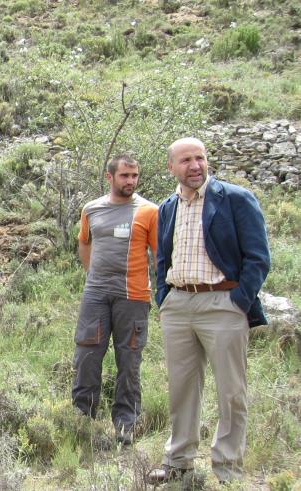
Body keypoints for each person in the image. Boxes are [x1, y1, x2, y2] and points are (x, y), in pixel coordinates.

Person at [147, 137, 270, 484]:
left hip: (223, 303)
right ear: (171, 167)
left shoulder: (235, 199)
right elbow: (162, 258)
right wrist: (165, 298)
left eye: (200, 158)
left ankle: (227, 469)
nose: (195, 165)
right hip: (179, 304)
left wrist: (238, 301)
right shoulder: (167, 206)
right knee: (181, 388)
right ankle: (178, 461)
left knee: (231, 391)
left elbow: (258, 258)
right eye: (186, 160)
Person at [72, 155, 157, 446]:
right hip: (95, 294)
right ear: (110, 177)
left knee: (129, 361)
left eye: (134, 175)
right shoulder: (92, 209)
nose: (130, 181)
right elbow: (84, 242)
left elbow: (159, 255)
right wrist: (91, 275)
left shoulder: (149, 211)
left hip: (133, 296)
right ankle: (82, 422)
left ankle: (126, 426)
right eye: (124, 176)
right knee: (86, 356)